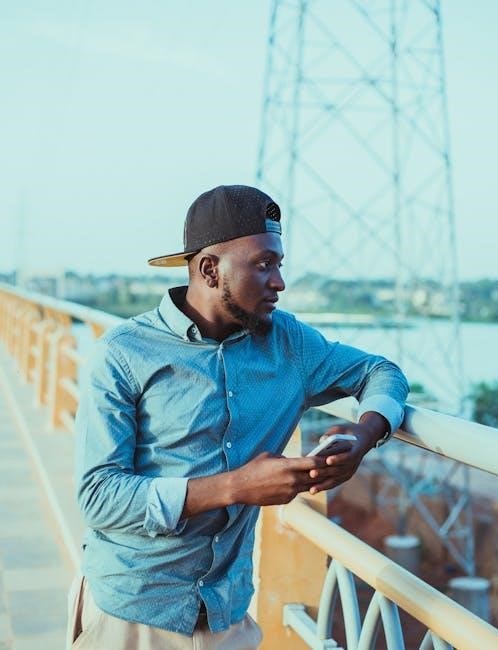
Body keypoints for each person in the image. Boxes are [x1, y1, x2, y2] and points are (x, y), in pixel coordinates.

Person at [69, 184, 409, 649]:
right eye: (263, 264)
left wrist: (364, 435)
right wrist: (235, 486)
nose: (279, 282)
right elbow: (97, 497)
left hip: (227, 616)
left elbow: (381, 371)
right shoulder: (123, 354)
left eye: (279, 264)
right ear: (210, 270)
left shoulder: (290, 344)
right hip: (129, 615)